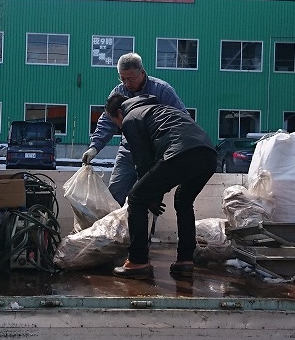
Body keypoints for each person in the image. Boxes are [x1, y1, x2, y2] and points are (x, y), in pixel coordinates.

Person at [104, 91, 217, 279]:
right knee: (183, 200)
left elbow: (143, 162)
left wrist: (150, 197)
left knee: (136, 198)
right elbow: (157, 167)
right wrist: (154, 196)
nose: (118, 126)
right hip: (208, 154)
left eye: (115, 121)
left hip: (181, 151)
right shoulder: (159, 109)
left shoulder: (131, 118)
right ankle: (185, 260)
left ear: (119, 113)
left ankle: (137, 261)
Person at [82, 52, 188, 204]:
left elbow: (181, 119)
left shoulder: (162, 91)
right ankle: (116, 220)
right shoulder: (119, 92)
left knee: (148, 197)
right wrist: (94, 147)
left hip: (154, 153)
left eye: (130, 79)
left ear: (142, 73)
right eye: (122, 78)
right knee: (116, 192)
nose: (126, 83)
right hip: (128, 150)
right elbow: (107, 121)